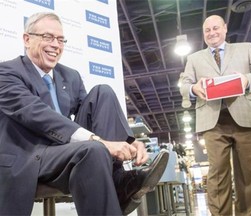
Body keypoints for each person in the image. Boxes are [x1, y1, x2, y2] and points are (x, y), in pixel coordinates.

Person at [0, 12, 169, 216]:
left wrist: (127, 142)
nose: (56, 45)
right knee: (93, 149)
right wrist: (97, 140)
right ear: (27, 39)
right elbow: (37, 115)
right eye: (48, 37)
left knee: (103, 92)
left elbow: (95, 113)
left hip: (63, 150)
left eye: (61, 39)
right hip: (30, 155)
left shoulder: (70, 76)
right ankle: (120, 188)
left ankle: (118, 179)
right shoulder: (7, 72)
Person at [180, 15, 251, 216]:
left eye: (215, 28)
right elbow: (184, 85)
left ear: (225, 28)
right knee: (217, 174)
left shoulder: (245, 48)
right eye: (207, 30)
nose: (212, 33)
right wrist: (194, 88)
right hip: (213, 121)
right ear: (203, 34)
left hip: (244, 117)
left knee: (248, 172)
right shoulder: (194, 59)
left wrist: (246, 80)